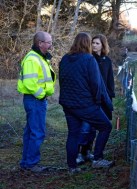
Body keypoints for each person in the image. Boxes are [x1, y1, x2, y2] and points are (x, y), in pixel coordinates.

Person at [59, 32, 113, 173]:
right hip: (84, 104)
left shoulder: (64, 58)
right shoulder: (89, 59)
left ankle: (72, 167)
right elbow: (96, 84)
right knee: (106, 126)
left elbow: (62, 80)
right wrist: (97, 102)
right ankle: (97, 158)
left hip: (68, 103)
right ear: (87, 44)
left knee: (73, 133)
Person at [17, 31, 56, 173]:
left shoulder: (40, 57)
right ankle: (31, 163)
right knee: (37, 132)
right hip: (35, 100)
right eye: (49, 42)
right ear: (40, 43)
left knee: (31, 132)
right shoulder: (32, 59)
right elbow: (29, 83)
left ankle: (27, 163)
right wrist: (41, 95)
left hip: (35, 100)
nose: (51, 45)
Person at [76, 34, 115, 165]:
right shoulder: (88, 59)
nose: (94, 45)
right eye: (93, 43)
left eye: (97, 43)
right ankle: (82, 152)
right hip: (90, 99)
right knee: (86, 127)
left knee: (99, 127)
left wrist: (109, 98)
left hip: (103, 98)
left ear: (103, 45)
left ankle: (90, 152)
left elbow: (110, 81)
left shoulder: (107, 61)